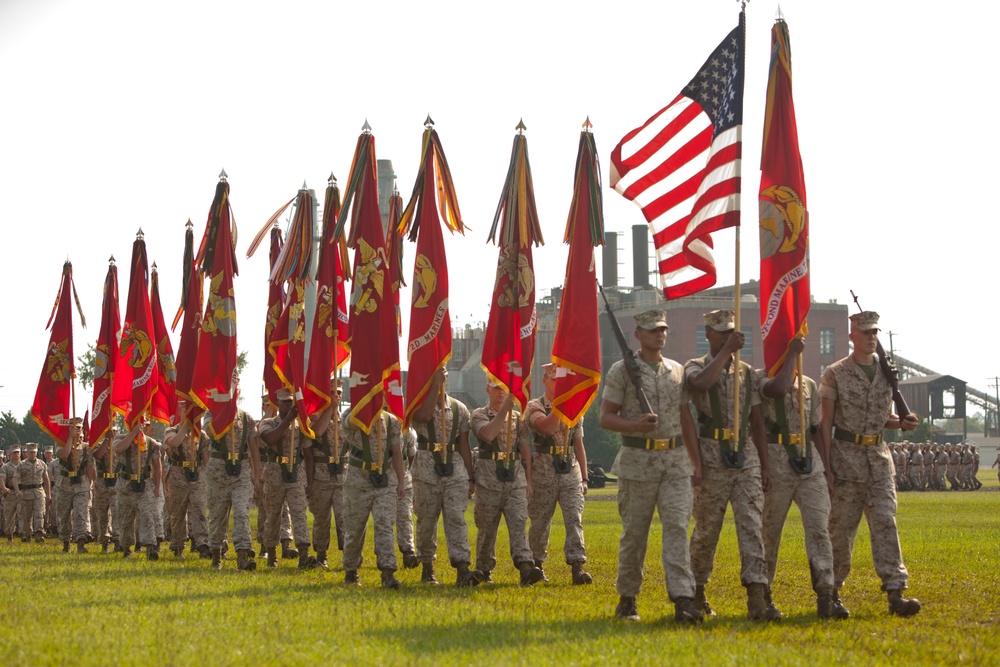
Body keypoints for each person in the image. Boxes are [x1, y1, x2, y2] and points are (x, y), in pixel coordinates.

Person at [600, 309, 703, 624]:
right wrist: (636, 425)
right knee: (635, 534)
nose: (659, 334)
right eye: (652, 330)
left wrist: (696, 463)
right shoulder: (622, 370)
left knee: (677, 529)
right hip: (638, 463)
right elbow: (606, 417)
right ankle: (628, 598)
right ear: (638, 335)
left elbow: (686, 419)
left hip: (674, 463)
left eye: (663, 329)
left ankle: (683, 598)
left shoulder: (676, 371)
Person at [819, 310, 921, 617]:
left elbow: (881, 419)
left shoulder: (887, 372)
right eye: (865, 333)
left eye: (875, 332)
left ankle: (896, 592)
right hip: (845, 462)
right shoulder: (835, 373)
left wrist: (902, 423)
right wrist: (826, 467)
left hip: (879, 462)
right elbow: (825, 424)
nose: (871, 337)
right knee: (841, 531)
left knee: (886, 525)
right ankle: (831, 592)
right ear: (852, 337)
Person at [684, 309, 778, 621]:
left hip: (745, 453)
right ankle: (696, 590)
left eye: (731, 332)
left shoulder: (747, 373)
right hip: (711, 453)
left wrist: (764, 465)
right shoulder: (695, 366)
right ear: (708, 334)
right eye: (721, 332)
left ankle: (757, 595)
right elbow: (699, 385)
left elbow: (757, 422)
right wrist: (726, 352)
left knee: (752, 525)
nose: (727, 336)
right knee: (707, 529)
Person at [757, 336, 847, 619]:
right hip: (777, 461)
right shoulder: (760, 379)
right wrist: (793, 352)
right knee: (769, 532)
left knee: (820, 530)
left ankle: (826, 594)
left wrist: (828, 468)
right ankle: (764, 597)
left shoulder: (808, 385)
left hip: (810, 464)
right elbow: (778, 388)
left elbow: (816, 430)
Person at [410, 367, 483, 586]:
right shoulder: (419, 404)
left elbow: (464, 444)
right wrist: (433, 387)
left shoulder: (459, 408)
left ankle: (462, 568)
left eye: (444, 378)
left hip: (454, 468)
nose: (443, 380)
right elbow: (421, 417)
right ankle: (427, 567)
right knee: (426, 520)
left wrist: (470, 477)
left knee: (456, 518)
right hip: (426, 469)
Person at [470, 379, 545, 586]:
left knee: (519, 522)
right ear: (488, 390)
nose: (501, 392)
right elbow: (487, 434)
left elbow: (525, 449)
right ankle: (484, 569)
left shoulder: (517, 419)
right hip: (488, 479)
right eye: (496, 388)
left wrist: (528, 480)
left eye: (504, 388)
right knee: (487, 528)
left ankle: (525, 567)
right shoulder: (479, 414)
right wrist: (504, 410)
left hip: (515, 478)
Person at [524, 363, 592, 585]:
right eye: (555, 380)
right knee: (540, 522)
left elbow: (579, 443)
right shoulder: (534, 406)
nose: (559, 385)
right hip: (543, 470)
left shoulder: (575, 408)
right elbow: (547, 428)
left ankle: (577, 566)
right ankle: (536, 565)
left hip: (570, 469)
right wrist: (562, 405)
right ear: (545, 381)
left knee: (574, 518)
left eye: (563, 381)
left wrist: (584, 477)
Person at [339, 406, 405, 588]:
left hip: (385, 479)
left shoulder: (391, 420)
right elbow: (349, 424)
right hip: (358, 481)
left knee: (385, 524)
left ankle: (388, 571)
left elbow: (397, 451)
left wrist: (401, 481)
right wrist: (365, 407)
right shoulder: (349, 415)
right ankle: (351, 570)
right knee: (355, 529)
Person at [258, 388, 317, 569]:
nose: (288, 405)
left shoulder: (301, 426)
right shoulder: (268, 423)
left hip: (296, 473)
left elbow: (308, 455)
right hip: (274, 473)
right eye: (284, 402)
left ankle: (304, 554)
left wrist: (310, 482)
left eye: (291, 402)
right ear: (278, 403)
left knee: (299, 513)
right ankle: (271, 554)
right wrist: (288, 420)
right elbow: (269, 439)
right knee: (273, 516)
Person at [204, 398, 262, 571]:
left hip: (241, 472)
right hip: (218, 472)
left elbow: (253, 449)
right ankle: (216, 554)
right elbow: (210, 432)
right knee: (217, 515)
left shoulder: (247, 418)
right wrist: (223, 414)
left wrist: (257, 475)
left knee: (242, 512)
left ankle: (243, 555)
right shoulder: (211, 413)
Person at [306, 380, 348, 570]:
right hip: (321, 477)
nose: (336, 395)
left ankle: (349, 555)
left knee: (345, 517)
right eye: (331, 392)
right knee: (322, 519)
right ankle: (321, 555)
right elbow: (315, 432)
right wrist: (329, 409)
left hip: (343, 477)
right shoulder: (315, 416)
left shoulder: (346, 418)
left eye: (338, 392)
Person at [163, 399, 211, 560]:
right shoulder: (171, 430)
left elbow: (206, 459)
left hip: (196, 475)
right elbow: (173, 443)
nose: (188, 414)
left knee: (199, 509)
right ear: (179, 412)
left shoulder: (202, 435)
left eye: (192, 411)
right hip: (177, 475)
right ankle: (178, 545)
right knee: (177, 512)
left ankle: (203, 543)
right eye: (185, 410)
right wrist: (186, 426)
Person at [113, 418, 163, 560]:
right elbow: (118, 449)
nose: (142, 427)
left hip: (145, 485)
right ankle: (126, 548)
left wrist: (157, 487)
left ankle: (150, 547)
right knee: (126, 518)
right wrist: (133, 434)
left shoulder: (151, 444)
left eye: (145, 424)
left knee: (147, 515)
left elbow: (157, 467)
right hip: (126, 485)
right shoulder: (121, 438)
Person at [56, 417, 95, 553]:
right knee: (64, 515)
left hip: (81, 484)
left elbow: (90, 467)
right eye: (73, 428)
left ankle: (80, 542)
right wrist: (69, 439)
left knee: (81, 513)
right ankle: (66, 543)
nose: (76, 430)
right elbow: (64, 455)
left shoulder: (86, 448)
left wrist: (90, 484)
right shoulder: (61, 443)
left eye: (78, 428)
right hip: (65, 485)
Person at [13, 442, 51, 542]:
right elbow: (15, 479)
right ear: (27, 453)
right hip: (26, 492)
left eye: (34, 452)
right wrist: (17, 491)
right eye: (30, 452)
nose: (32, 454)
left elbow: (46, 479)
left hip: (39, 492)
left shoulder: (42, 464)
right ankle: (27, 534)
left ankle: (39, 533)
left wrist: (48, 493)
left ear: (37, 452)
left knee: (39, 513)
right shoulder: (21, 465)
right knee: (27, 515)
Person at [91, 429, 120, 552]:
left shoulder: (119, 444)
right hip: (101, 485)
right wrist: (107, 440)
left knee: (117, 513)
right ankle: (104, 542)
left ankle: (118, 540)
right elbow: (98, 455)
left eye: (114, 430)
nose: (112, 432)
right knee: (102, 515)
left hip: (116, 484)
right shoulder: (98, 444)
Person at [396, 424, 418, 569]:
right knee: (383, 520)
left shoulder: (407, 431)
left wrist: (408, 478)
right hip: (379, 479)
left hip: (403, 478)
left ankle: (408, 553)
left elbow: (411, 457)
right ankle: (383, 552)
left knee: (405, 516)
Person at [1, 446, 22, 540]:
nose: (16, 454)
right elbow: (2, 478)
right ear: (10, 454)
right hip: (10, 492)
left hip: (22, 492)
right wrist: (4, 488)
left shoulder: (24, 465)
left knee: (23, 514)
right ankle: (10, 534)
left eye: (18, 452)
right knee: (9, 515)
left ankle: (24, 534)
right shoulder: (6, 467)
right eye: (14, 452)